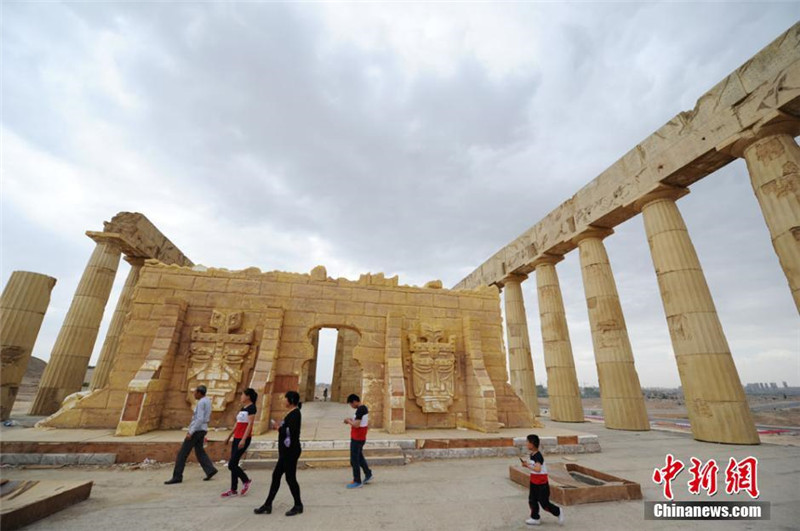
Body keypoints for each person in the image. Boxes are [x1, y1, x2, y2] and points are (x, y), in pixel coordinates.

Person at [254, 391, 303, 516]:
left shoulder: (295, 414)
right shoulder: (292, 413)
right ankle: (268, 504)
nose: (283, 401)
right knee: (276, 476)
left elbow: (290, 432)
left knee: (290, 478)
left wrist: (279, 428)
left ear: (291, 400)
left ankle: (298, 505)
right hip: (287, 451)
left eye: (285, 398)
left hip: (290, 452)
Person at [165, 385, 218, 484]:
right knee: (199, 451)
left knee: (182, 454)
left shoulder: (201, 402)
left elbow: (199, 419)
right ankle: (210, 470)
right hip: (202, 429)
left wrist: (191, 432)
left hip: (197, 430)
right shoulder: (207, 401)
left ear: (199, 393)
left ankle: (177, 476)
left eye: (195, 392)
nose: (194, 394)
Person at [221, 388, 257, 497]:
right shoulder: (243, 408)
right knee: (234, 463)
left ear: (248, 397)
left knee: (231, 464)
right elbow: (238, 424)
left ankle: (245, 480)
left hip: (243, 438)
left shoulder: (252, 408)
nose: (241, 396)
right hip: (237, 437)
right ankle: (233, 489)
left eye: (243, 395)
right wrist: (229, 436)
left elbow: (249, 425)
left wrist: (243, 439)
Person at [521, 434, 564, 526]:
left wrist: (527, 466)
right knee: (532, 500)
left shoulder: (538, 456)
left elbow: (538, 469)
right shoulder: (532, 454)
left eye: (527, 442)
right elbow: (535, 466)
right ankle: (535, 518)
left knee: (544, 504)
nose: (526, 444)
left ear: (532, 444)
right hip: (534, 481)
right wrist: (527, 464)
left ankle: (558, 511)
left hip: (541, 484)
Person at [343, 393, 372, 489]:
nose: (351, 406)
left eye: (351, 404)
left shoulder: (360, 409)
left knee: (354, 460)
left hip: (357, 438)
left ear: (355, 401)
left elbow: (356, 425)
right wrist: (352, 420)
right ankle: (368, 473)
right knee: (359, 458)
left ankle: (357, 481)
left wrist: (348, 421)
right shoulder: (362, 409)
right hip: (360, 437)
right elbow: (358, 421)